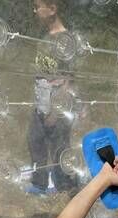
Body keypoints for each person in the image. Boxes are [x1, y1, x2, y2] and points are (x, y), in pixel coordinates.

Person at [26, 0, 76, 195]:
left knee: (59, 145)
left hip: (58, 104)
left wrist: (56, 111)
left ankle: (65, 185)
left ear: (52, 9)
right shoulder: (44, 36)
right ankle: (39, 183)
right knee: (35, 140)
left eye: (38, 6)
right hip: (41, 102)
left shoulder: (66, 40)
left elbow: (69, 79)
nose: (34, 10)